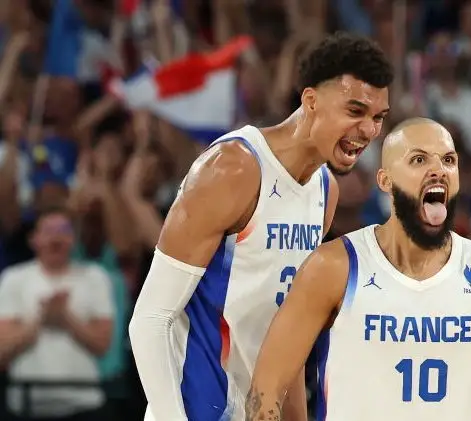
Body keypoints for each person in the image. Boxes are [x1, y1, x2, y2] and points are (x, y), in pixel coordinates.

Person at [127, 32, 393, 421]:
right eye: (355, 111)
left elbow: (290, 335)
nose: (369, 130)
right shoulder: (233, 168)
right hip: (198, 409)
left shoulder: (325, 191)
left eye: (378, 118)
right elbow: (149, 319)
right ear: (311, 101)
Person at [246, 118, 471, 421]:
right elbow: (266, 390)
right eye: (419, 160)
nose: (438, 170)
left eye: (448, 160)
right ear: (385, 180)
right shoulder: (334, 267)